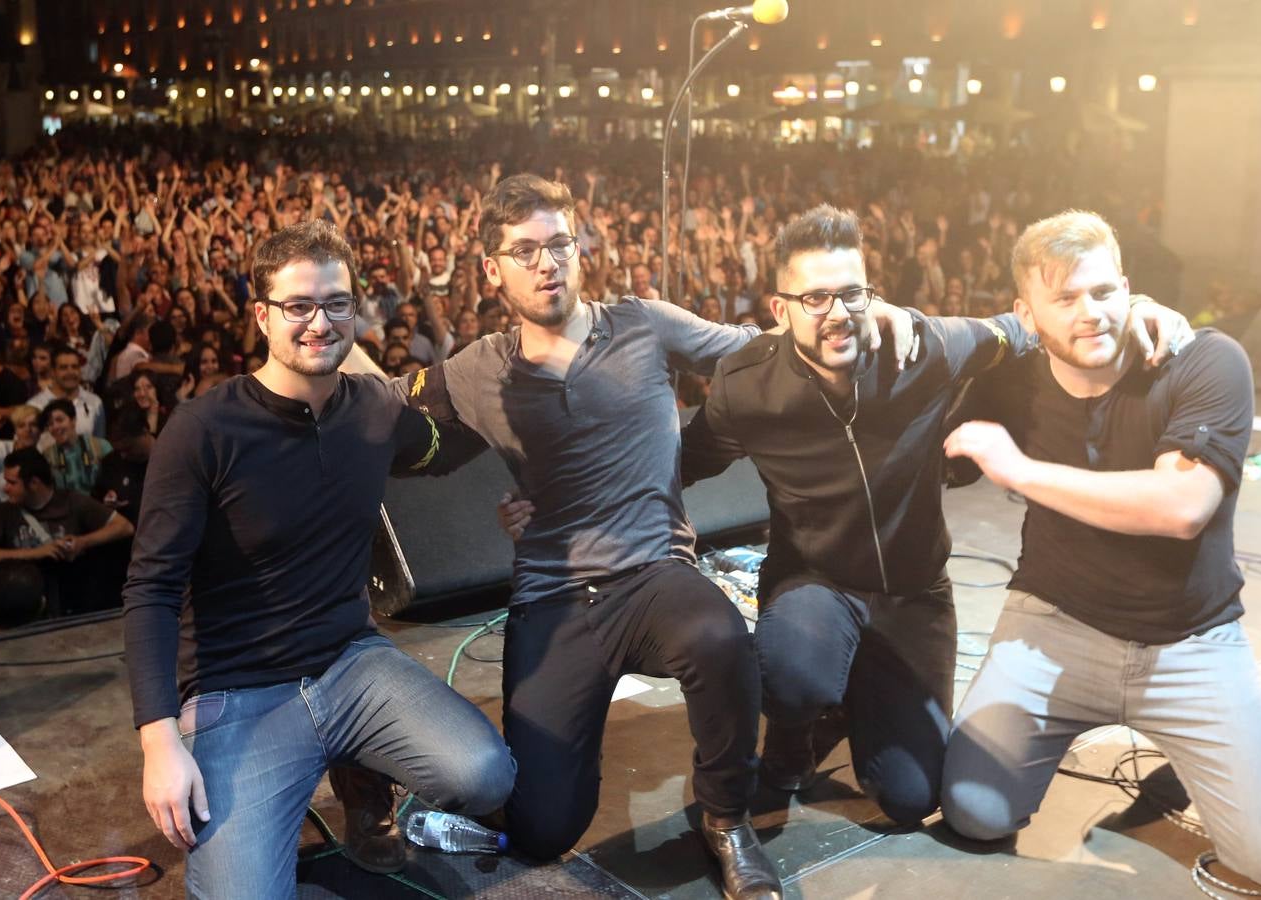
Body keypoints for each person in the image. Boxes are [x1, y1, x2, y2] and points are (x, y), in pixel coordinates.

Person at [509, 204, 1190, 830]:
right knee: (792, 676)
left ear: (872, 293)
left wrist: (1137, 308)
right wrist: (568, 500)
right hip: (814, 585)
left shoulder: (927, 347)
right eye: (813, 298)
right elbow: (680, 462)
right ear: (780, 307)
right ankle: (793, 734)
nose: (835, 313)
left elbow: (1024, 325)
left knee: (909, 797)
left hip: (915, 597)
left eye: (850, 293)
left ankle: (854, 700)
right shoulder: (749, 383)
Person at [368, 175, 912, 900]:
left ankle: (726, 822)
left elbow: (763, 351)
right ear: (492, 268)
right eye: (523, 251)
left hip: (654, 574)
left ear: (578, 248)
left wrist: (875, 319)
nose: (545, 263)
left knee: (718, 636)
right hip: (554, 596)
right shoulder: (476, 369)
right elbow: (390, 422)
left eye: (557, 243)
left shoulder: (644, 323)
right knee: (544, 829)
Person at [122, 220, 514, 897]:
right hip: (240, 691)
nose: (319, 323)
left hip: (350, 662)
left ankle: (361, 780)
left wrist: (518, 397)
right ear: (261, 315)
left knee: (484, 776)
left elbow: (445, 448)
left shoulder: (373, 410)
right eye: (298, 305)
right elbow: (151, 591)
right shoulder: (202, 431)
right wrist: (159, 743)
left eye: (336, 303)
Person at [939, 210, 1261, 891]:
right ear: (1026, 314)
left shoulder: (1205, 359)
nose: (1089, 313)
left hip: (1189, 643)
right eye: (1064, 299)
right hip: (1052, 625)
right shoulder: (1010, 379)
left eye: (1102, 292)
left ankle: (1195, 749)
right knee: (974, 813)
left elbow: (1179, 509)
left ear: (1126, 286)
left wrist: (1015, 469)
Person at [0, 447, 135, 615]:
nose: (5, 488)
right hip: (23, 603)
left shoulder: (72, 501)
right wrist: (36, 553)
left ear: (34, 483)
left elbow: (124, 527)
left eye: (12, 483)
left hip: (74, 598)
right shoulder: (0, 512)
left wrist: (83, 542)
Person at [29, 344, 106, 439]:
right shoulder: (35, 406)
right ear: (52, 372)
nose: (70, 372)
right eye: (63, 368)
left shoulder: (95, 402)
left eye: (75, 367)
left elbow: (100, 444)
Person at [40, 398, 113, 496]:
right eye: (50, 424)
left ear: (73, 420)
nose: (55, 427)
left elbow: (115, 482)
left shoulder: (100, 446)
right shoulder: (47, 457)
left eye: (60, 420)